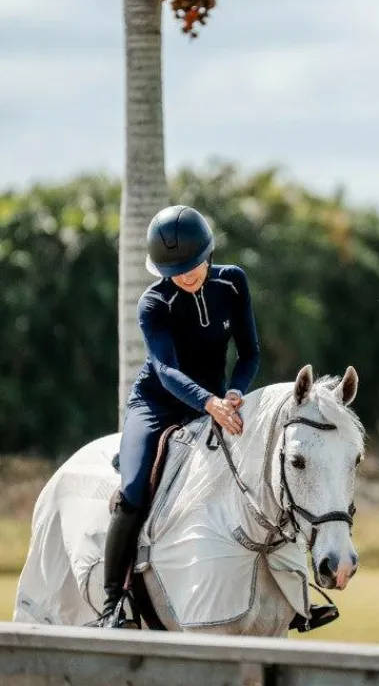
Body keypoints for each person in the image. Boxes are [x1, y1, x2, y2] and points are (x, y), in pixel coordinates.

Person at [94, 204, 260, 628]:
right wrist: (209, 403)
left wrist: (235, 392)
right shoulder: (154, 302)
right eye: (175, 270)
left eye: (192, 265)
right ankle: (114, 603)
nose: (186, 275)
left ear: (208, 253)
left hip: (220, 401)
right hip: (157, 403)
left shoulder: (233, 282)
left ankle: (287, 582)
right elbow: (166, 371)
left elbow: (249, 352)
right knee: (132, 489)